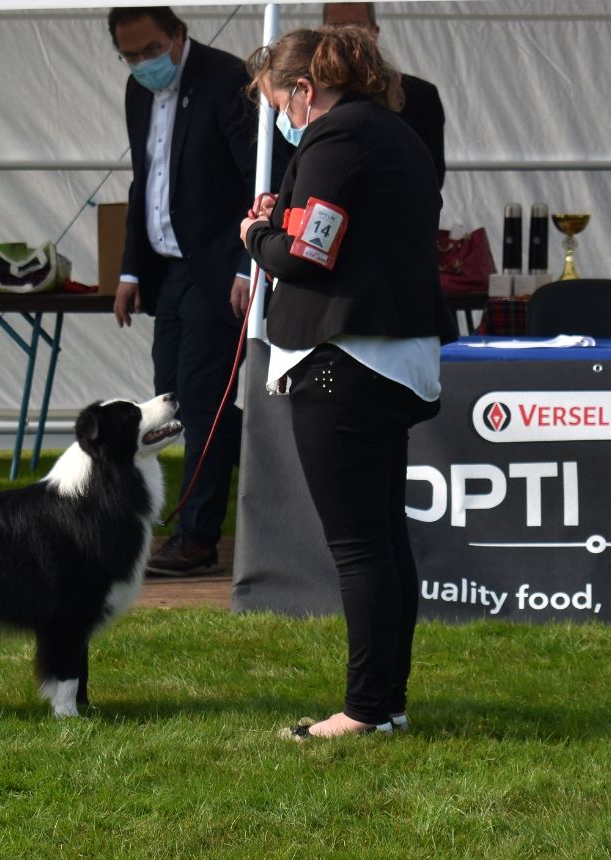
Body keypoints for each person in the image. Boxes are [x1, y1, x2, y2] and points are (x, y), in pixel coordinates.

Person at [239, 26, 457, 738]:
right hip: (392, 356)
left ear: (305, 90)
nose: (283, 118)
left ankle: (364, 711)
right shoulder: (393, 131)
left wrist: (256, 239)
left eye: (281, 103)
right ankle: (385, 704)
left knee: (362, 547)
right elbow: (334, 232)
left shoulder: (335, 140)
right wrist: (288, 227)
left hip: (346, 358)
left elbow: (308, 253)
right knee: (384, 541)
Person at [107, 7, 288, 575]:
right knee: (175, 402)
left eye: (151, 49)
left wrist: (245, 261)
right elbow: (145, 181)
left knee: (203, 403)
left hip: (219, 269)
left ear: (180, 36)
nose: (143, 63)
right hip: (168, 269)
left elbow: (263, 177)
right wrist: (130, 271)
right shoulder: (138, 93)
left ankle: (196, 538)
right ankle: (279, 465)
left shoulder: (228, 82)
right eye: (130, 56)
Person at [323, 2, 446, 188]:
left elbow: (432, 177)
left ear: (375, 31)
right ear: (321, 33)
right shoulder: (306, 94)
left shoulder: (420, 96)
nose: (345, 36)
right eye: (336, 27)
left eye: (357, 26)